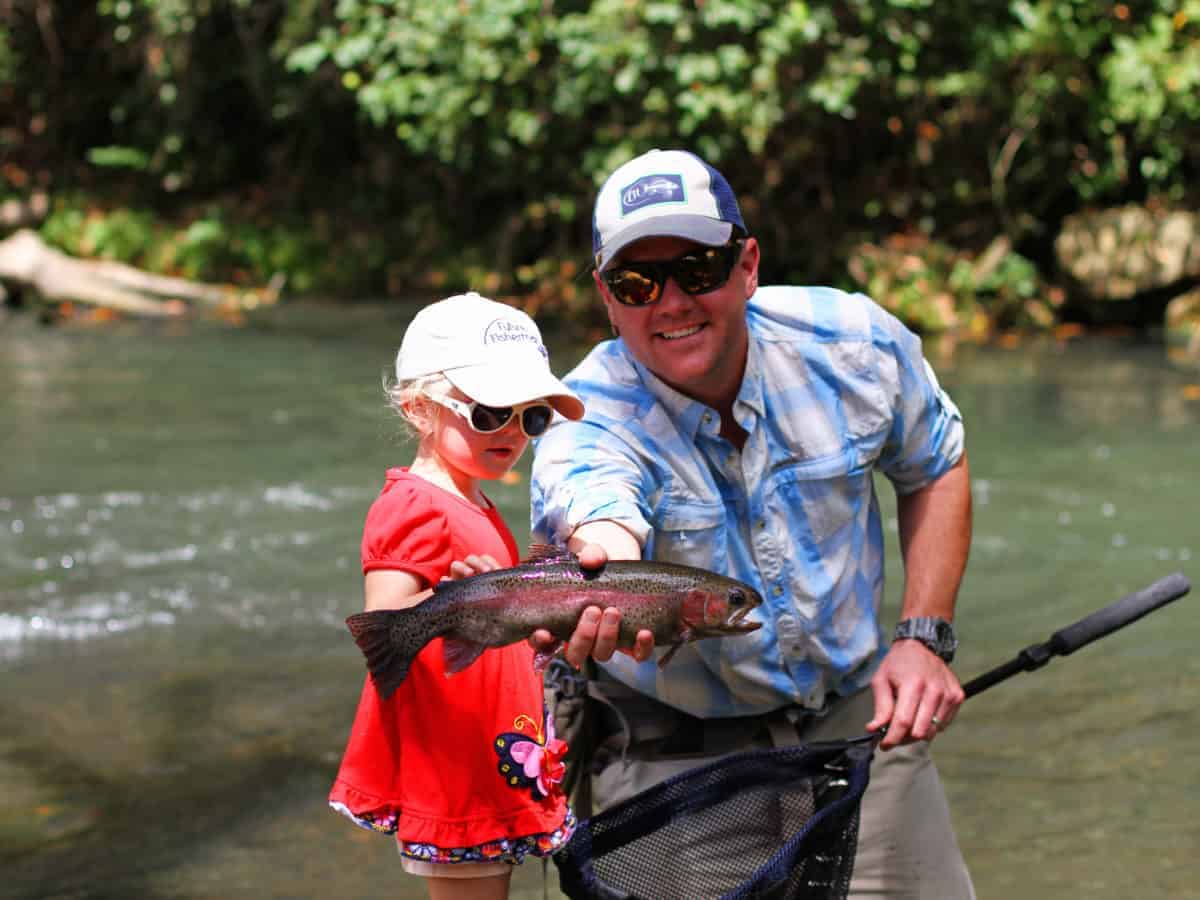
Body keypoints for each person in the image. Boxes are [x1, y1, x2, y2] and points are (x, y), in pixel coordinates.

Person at [530, 149, 976, 898]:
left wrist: (924, 637)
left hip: (863, 728)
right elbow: (598, 511)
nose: (670, 302)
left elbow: (936, 462)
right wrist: (602, 562)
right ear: (607, 299)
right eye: (637, 283)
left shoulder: (855, 347)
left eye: (696, 269)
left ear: (747, 265)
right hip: (676, 761)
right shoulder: (583, 417)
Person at [329, 291, 583, 900]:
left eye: (533, 416)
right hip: (457, 772)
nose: (516, 433)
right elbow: (385, 633)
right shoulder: (415, 506)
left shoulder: (474, 499)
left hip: (493, 753)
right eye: (492, 413)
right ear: (420, 409)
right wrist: (465, 600)